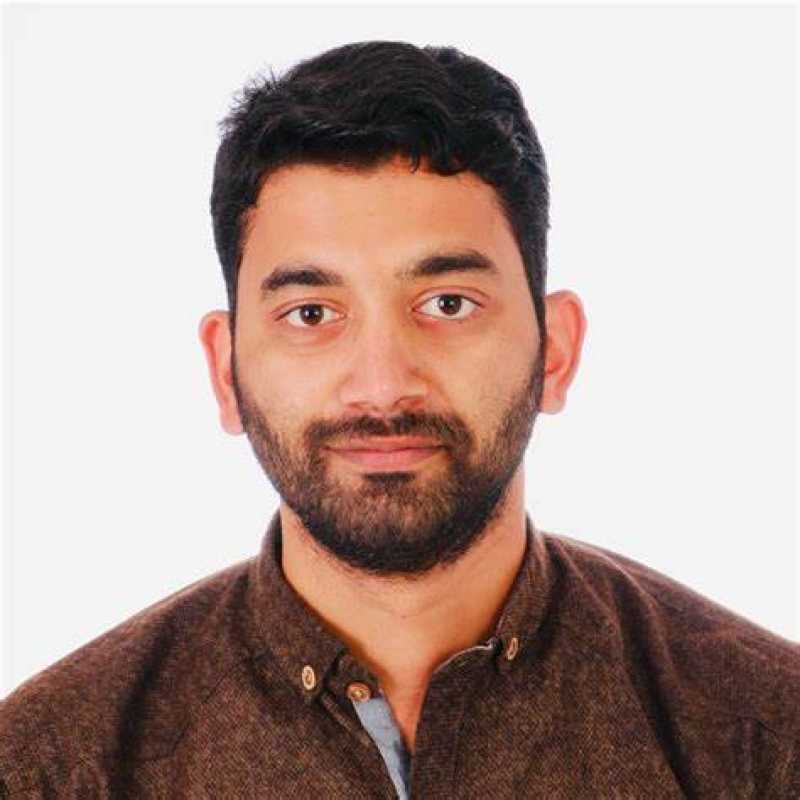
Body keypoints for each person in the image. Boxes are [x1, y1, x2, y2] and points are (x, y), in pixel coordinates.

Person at [1, 39, 797, 799]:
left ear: (555, 350)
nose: (382, 386)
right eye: (312, 313)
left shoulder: (766, 741)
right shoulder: (47, 771)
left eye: (447, 304)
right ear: (225, 370)